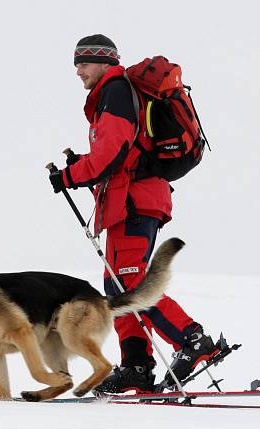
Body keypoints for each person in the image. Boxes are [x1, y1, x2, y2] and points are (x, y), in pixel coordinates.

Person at [48, 34, 220, 393]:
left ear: (104, 62)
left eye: (84, 63)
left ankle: (193, 341)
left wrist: (69, 176)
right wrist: (82, 166)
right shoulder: (113, 94)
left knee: (131, 284)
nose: (78, 71)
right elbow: (123, 153)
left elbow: (111, 152)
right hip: (129, 200)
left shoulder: (114, 91)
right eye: (76, 64)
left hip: (135, 201)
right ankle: (137, 367)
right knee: (117, 285)